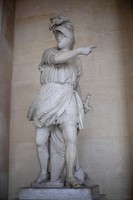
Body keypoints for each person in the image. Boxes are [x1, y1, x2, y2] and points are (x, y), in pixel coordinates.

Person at [27, 15, 96, 188]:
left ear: (70, 37)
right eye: (56, 34)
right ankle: (44, 173)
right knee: (40, 140)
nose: (57, 37)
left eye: (62, 34)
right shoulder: (49, 53)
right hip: (48, 96)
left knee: (70, 139)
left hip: (68, 97)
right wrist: (80, 50)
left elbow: (76, 85)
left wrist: (81, 103)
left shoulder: (77, 62)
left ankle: (71, 176)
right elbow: (58, 60)